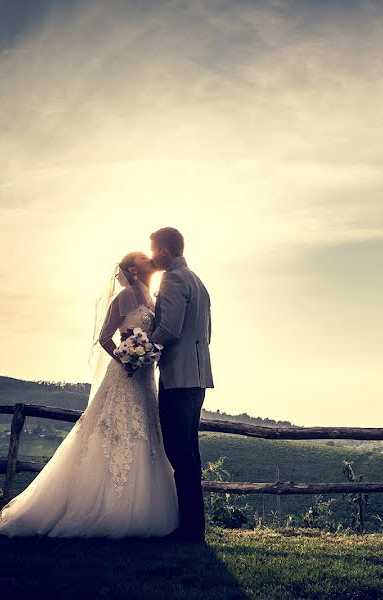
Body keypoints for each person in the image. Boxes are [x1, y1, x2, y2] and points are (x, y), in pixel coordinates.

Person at [0, 252, 179, 538]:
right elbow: (104, 337)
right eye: (143, 257)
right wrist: (125, 360)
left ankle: (141, 508)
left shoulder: (151, 297)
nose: (149, 257)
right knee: (114, 433)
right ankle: (101, 506)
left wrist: (145, 356)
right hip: (124, 376)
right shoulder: (125, 297)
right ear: (132, 269)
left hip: (145, 378)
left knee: (145, 434)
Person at [150, 227, 213, 543]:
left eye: (153, 249)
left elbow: (170, 329)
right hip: (198, 377)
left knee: (179, 452)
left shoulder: (173, 279)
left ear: (163, 250)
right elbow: (206, 332)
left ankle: (189, 530)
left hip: (177, 377)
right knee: (190, 452)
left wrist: (144, 349)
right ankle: (194, 526)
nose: (151, 256)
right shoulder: (197, 281)